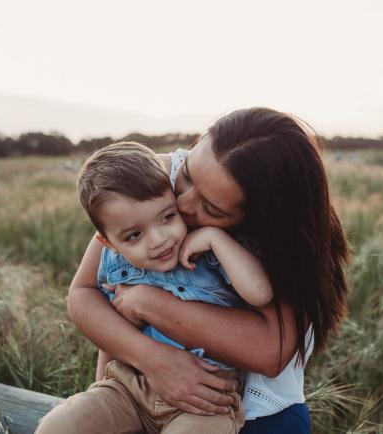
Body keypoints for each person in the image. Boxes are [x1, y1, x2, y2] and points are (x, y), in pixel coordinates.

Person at [43, 107, 350, 434]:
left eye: (211, 208)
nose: (184, 204)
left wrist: (148, 302)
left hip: (252, 413)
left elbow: (269, 351)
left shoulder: (288, 236)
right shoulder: (153, 179)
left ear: (259, 218)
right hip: (140, 391)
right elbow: (84, 292)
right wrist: (152, 359)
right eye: (187, 174)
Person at [37, 142, 274, 433]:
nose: (158, 240)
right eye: (135, 235)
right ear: (108, 244)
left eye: (167, 217)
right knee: (60, 425)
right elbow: (108, 329)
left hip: (204, 401)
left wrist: (215, 239)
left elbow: (259, 293)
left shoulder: (208, 252)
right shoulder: (115, 262)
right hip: (127, 387)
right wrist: (100, 388)